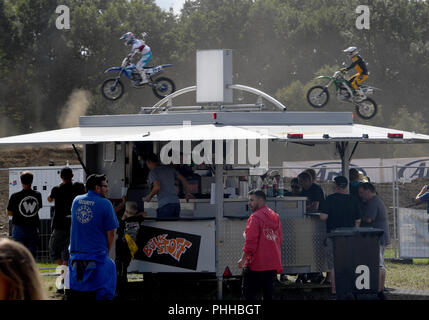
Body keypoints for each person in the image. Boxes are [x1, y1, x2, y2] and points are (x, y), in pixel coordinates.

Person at [68, 174, 119, 300]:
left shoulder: (76, 201)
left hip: (76, 258)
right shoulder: (105, 204)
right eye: (105, 186)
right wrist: (106, 252)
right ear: (97, 188)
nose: (107, 189)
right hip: (97, 258)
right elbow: (111, 233)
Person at [319, 176, 361, 297]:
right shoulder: (353, 199)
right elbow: (358, 220)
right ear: (346, 186)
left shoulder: (330, 199)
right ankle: (350, 289)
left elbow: (323, 217)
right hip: (349, 237)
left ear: (335, 186)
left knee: (333, 265)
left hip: (333, 236)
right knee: (349, 263)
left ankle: (335, 291)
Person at [237, 189, 282, 300]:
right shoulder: (275, 216)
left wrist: (242, 259)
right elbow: (279, 239)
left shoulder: (255, 217)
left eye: (252, 200)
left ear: (261, 200)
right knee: (268, 295)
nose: (249, 203)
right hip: (272, 263)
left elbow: (250, 243)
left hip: (256, 264)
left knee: (249, 295)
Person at [47, 167, 85, 279]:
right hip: (74, 224)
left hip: (59, 225)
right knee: (66, 252)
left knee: (53, 250)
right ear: (72, 176)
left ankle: (64, 275)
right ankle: (65, 275)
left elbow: (49, 199)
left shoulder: (57, 189)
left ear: (61, 177)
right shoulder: (78, 187)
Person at [358, 182, 390, 300]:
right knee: (380, 264)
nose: (361, 196)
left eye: (361, 193)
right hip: (381, 236)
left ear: (368, 190)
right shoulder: (377, 200)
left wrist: (358, 217)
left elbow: (369, 219)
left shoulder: (373, 202)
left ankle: (379, 291)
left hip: (378, 238)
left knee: (378, 264)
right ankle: (380, 289)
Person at [145, 153, 193, 219]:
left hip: (165, 205)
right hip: (176, 203)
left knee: (163, 227)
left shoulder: (153, 172)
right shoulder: (169, 168)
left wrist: (149, 196)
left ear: (148, 162)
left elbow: (157, 187)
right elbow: (183, 179)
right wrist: (187, 193)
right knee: (174, 228)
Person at [297, 171, 326, 283]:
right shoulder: (304, 190)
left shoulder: (316, 189)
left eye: (301, 182)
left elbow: (315, 207)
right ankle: (306, 273)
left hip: (318, 223)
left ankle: (317, 273)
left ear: (307, 180)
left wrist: (304, 208)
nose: (300, 184)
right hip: (308, 224)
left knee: (317, 248)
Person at [7, 171, 43, 258]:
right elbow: (38, 208)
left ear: (21, 181)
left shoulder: (15, 196)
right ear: (32, 181)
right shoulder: (37, 195)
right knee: (31, 255)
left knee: (18, 254)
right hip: (33, 227)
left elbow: (9, 212)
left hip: (19, 227)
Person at [115, 201, 145, 297]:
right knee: (126, 266)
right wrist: (137, 214)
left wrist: (124, 215)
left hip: (121, 248)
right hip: (130, 248)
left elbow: (118, 232)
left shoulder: (123, 222)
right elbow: (143, 214)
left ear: (126, 211)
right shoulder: (138, 220)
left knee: (119, 267)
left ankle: (119, 288)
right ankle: (125, 284)